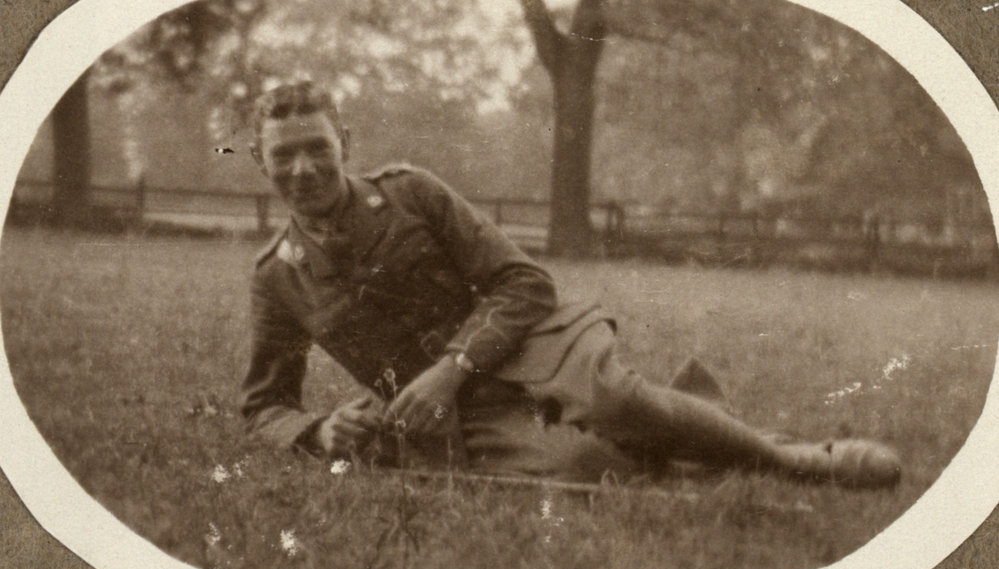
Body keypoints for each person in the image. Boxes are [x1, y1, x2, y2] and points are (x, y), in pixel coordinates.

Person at [239, 81, 901, 488]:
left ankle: (795, 459)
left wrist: (452, 365)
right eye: (282, 155)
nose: (303, 168)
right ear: (260, 163)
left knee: (617, 405)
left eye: (316, 148)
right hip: (453, 416)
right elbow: (265, 405)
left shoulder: (411, 193)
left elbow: (524, 282)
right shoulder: (276, 277)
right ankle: (697, 423)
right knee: (589, 472)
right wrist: (321, 430)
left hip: (529, 345)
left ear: (343, 142)